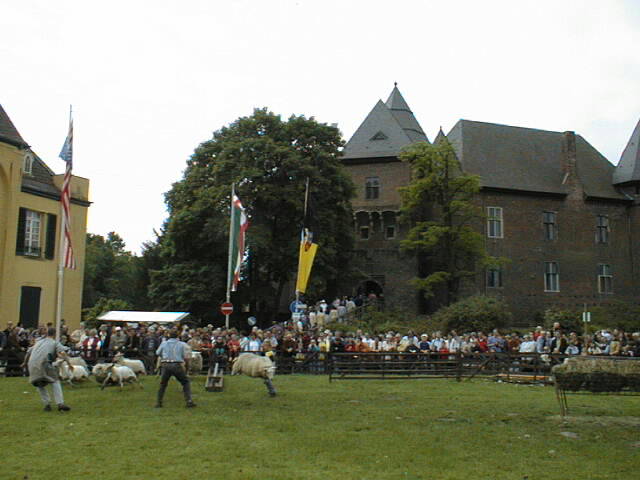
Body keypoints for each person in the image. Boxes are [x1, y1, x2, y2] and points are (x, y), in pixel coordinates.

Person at [22, 327, 71, 412]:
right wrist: (69, 363)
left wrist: (24, 363)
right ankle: (60, 404)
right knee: (55, 381)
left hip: (32, 364)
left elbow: (28, 353)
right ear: (55, 334)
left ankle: (47, 405)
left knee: (39, 383)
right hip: (44, 363)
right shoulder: (54, 342)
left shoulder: (38, 342)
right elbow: (63, 353)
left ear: (47, 333)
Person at [155, 330, 195, 408]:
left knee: (163, 384)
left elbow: (157, 353)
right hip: (176, 364)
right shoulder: (182, 344)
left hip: (166, 364)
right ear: (178, 336)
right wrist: (186, 366)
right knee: (185, 382)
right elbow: (185, 356)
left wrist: (164, 356)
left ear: (169, 336)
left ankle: (159, 402)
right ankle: (189, 401)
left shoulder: (164, 343)